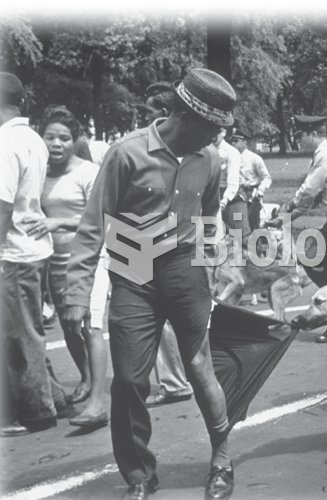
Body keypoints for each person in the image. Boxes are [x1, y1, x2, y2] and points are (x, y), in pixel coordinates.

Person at [63, 68, 237, 500]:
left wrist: (212, 262)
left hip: (184, 270)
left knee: (200, 370)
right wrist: (77, 293)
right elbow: (92, 226)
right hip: (134, 269)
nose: (217, 137)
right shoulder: (127, 154)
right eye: (211, 127)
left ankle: (222, 460)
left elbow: (209, 215)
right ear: (182, 115)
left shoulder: (210, 158)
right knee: (129, 379)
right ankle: (139, 473)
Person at [0, 72, 58, 437]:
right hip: (32, 248)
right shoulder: (31, 138)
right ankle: (47, 396)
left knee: (20, 334)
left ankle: (36, 411)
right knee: (26, 329)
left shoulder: (3, 145)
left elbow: (0, 210)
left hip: (13, 251)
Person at [27, 106, 109, 427]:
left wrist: (57, 221)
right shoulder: (38, 172)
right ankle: (87, 379)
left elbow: (100, 220)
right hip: (54, 261)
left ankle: (98, 402)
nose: (57, 143)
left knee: (90, 324)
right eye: (50, 137)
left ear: (75, 140)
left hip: (89, 260)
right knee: (68, 326)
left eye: (64, 137)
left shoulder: (88, 172)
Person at [140, 82, 195, 410]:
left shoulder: (161, 149)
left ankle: (175, 381)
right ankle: (177, 378)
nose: (146, 118)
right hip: (168, 237)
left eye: (149, 111)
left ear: (164, 113)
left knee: (161, 317)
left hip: (164, 239)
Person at [279, 115, 327, 344]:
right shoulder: (325, 153)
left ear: (314, 134)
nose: (298, 142)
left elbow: (308, 191)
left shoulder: (325, 154)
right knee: (319, 263)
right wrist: (288, 216)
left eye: (300, 136)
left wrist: (286, 211)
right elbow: (310, 199)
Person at [231, 129, 272, 232]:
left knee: (252, 223)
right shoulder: (230, 158)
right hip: (237, 195)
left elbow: (267, 177)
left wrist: (261, 190)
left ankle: (256, 246)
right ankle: (240, 246)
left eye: (236, 141)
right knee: (238, 223)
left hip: (251, 195)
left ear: (244, 142)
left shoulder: (254, 158)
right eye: (232, 141)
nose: (233, 143)